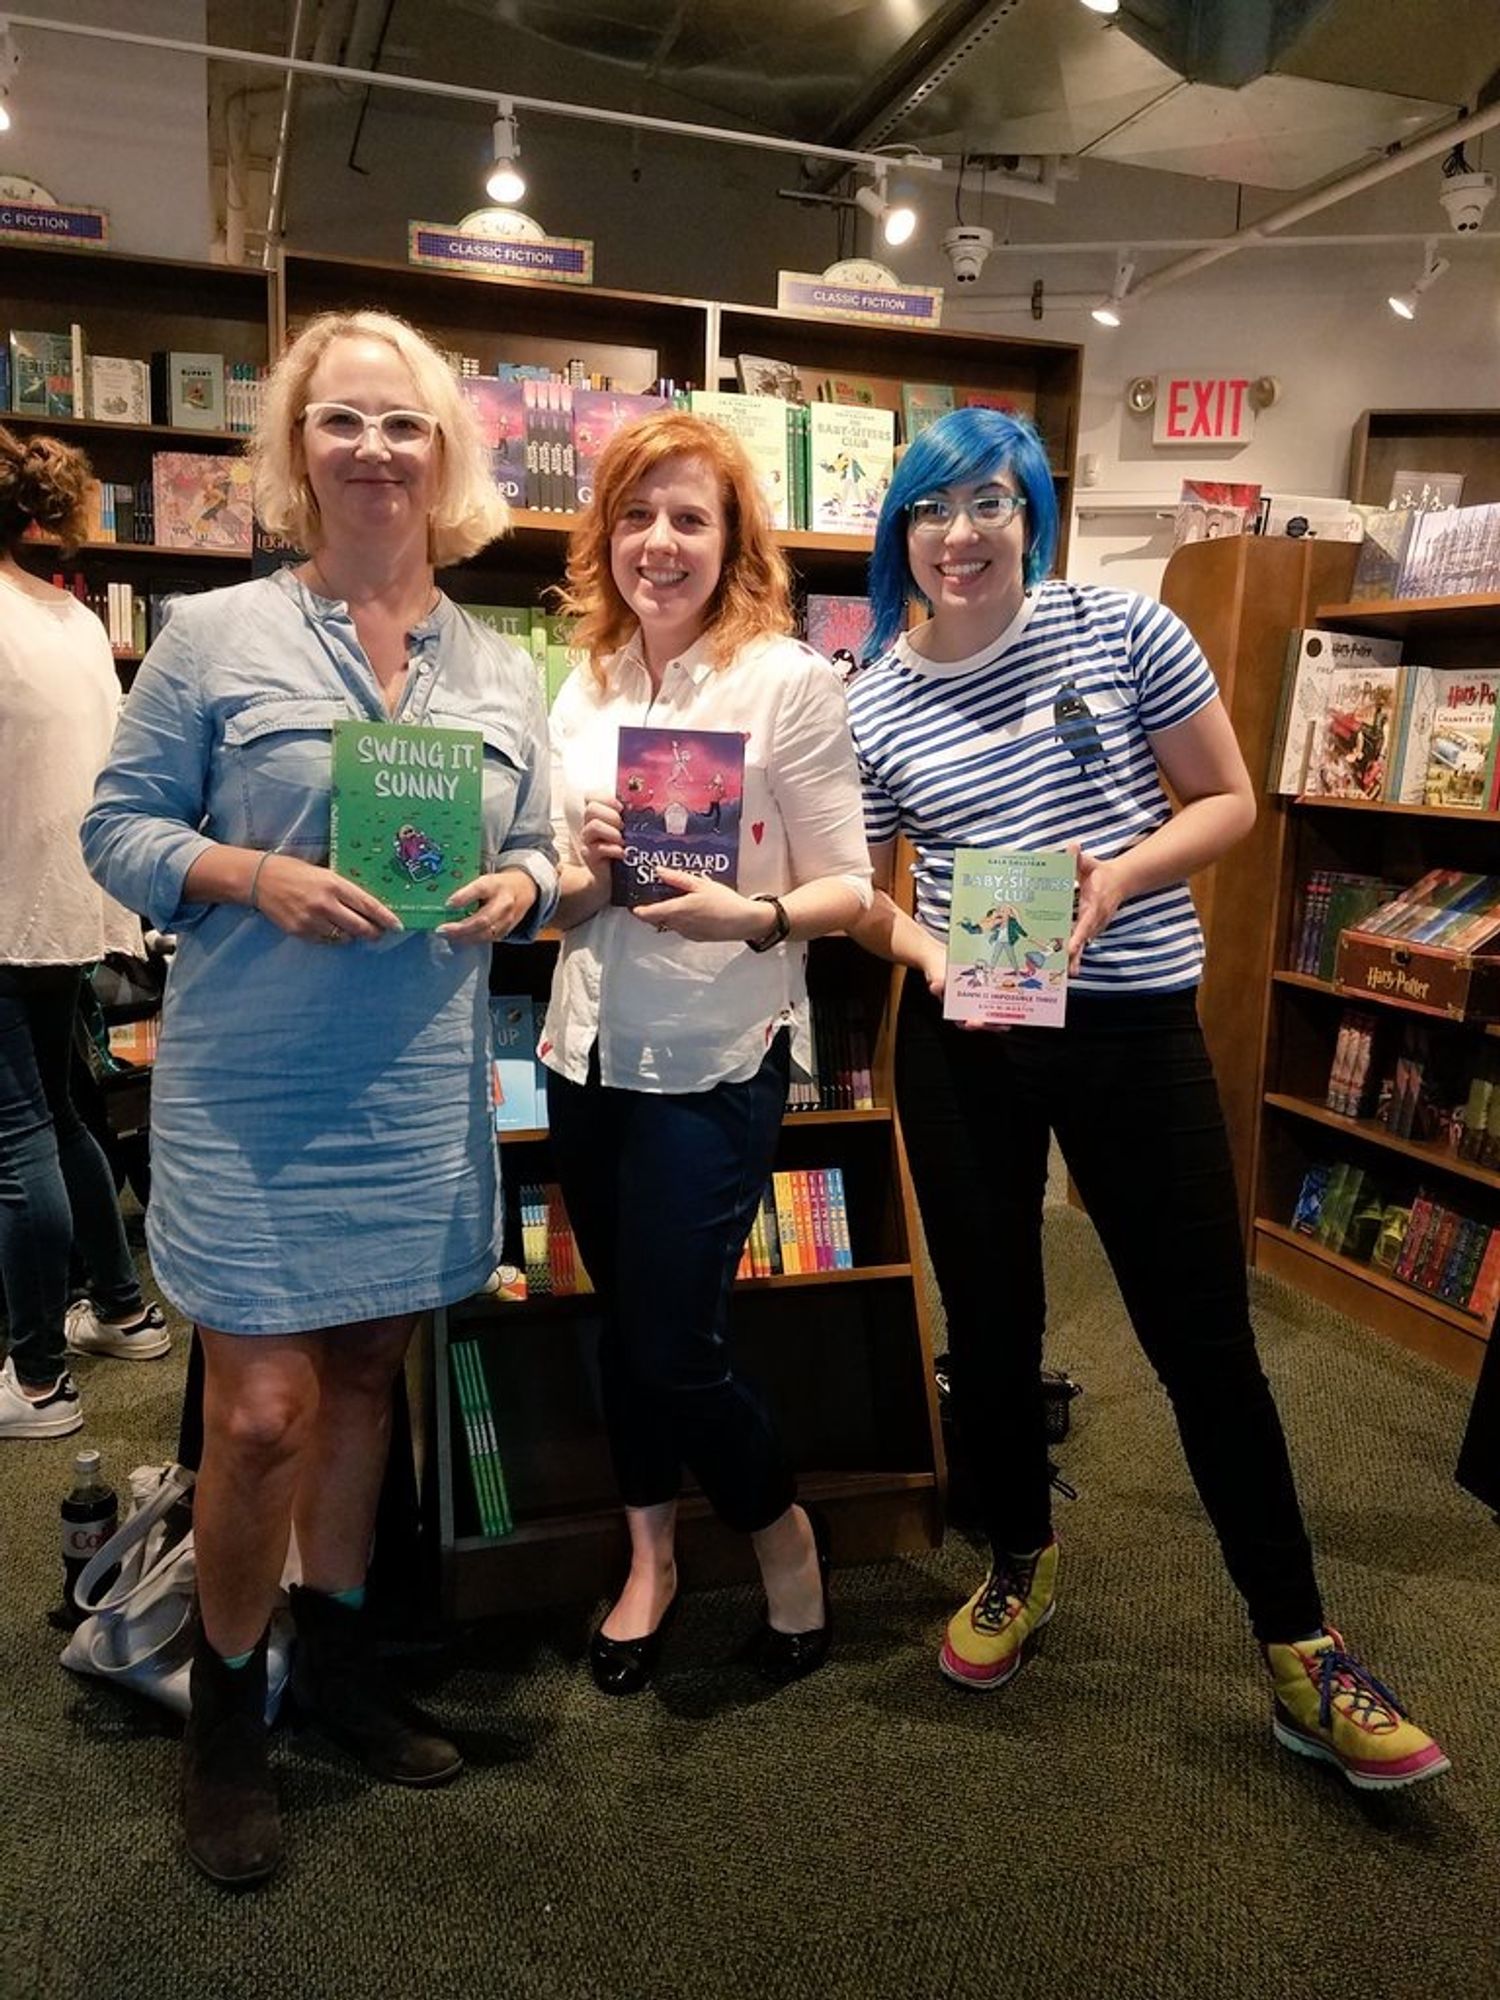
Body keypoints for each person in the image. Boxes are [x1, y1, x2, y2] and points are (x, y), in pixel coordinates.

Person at [846, 406, 1448, 1793]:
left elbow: (1229, 803)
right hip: (968, 1039)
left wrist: (1114, 879)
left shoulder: (1121, 633)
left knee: (1202, 1340)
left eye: (990, 502)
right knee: (990, 1329)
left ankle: (1302, 1649)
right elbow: (874, 899)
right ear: (904, 533)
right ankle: (1019, 1563)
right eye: (934, 510)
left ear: (1031, 514)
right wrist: (937, 960)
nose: (962, 533)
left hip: (1127, 1020)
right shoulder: (871, 694)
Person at [82, 310, 557, 1885]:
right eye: (341, 421)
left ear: (448, 457)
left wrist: (525, 885)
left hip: (416, 1089)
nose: (373, 450)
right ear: (297, 448)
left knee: (363, 1384)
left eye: (403, 424)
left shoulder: (500, 666)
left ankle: (344, 1672)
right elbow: (120, 828)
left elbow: (548, 847)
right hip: (256, 1095)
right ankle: (228, 1721)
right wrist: (250, 873)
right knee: (263, 1409)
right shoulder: (217, 640)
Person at [541, 409, 873, 1694]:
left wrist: (759, 916)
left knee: (679, 1341)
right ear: (606, 534)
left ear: (732, 536)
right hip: (585, 1051)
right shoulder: (585, 679)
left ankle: (785, 1536)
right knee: (626, 1329)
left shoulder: (785, 678)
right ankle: (649, 1558)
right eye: (636, 514)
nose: (659, 542)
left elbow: (848, 884)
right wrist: (573, 867)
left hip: (712, 1055)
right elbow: (572, 898)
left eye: (690, 516)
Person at [0, 426, 171, 1445]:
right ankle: (121, 1304)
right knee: (63, 1110)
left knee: (17, 1135)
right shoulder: (68, 616)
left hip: (9, 907)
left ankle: (38, 1378)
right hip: (66, 904)